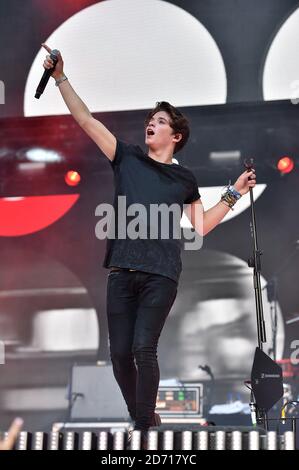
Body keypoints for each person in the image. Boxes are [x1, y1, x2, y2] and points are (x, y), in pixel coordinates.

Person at [42, 44, 256, 448]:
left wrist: (233, 193)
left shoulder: (184, 180)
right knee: (119, 354)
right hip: (122, 269)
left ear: (175, 136)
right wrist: (60, 78)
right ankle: (142, 414)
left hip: (161, 272)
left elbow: (201, 227)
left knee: (144, 348)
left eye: (158, 121)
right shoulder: (127, 158)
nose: (150, 125)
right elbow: (86, 120)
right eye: (149, 121)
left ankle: (142, 429)